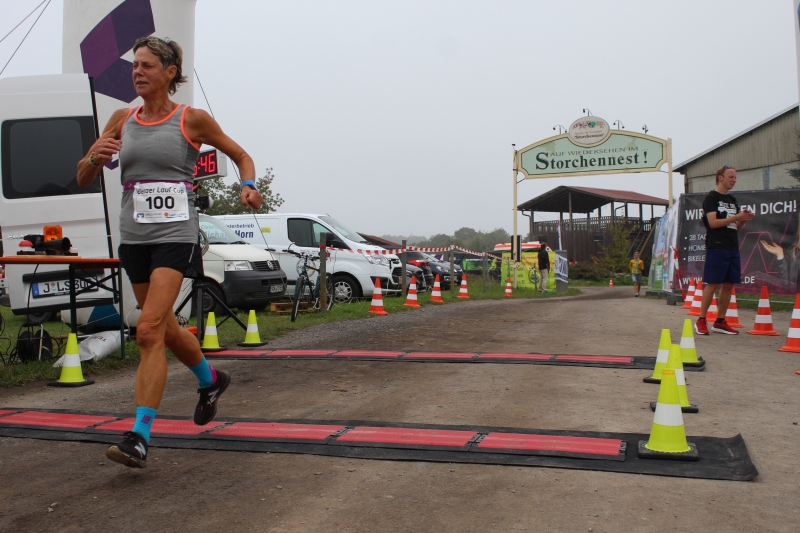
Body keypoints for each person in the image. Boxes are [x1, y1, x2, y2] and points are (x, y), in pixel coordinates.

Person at [76, 37, 263, 468]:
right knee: (165, 328)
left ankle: (138, 436)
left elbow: (241, 155)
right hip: (134, 238)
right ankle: (210, 379)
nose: (137, 72)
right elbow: (83, 175)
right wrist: (93, 156)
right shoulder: (121, 118)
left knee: (146, 331)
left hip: (176, 236)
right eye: (134, 66)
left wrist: (248, 185)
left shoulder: (191, 120)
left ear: (170, 72)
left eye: (146, 66)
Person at [695, 165, 754, 335]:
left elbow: (736, 227)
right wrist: (736, 217)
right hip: (717, 246)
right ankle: (701, 320)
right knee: (713, 284)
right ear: (720, 177)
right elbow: (713, 223)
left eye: (735, 177)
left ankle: (720, 321)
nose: (734, 180)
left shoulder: (732, 200)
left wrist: (743, 220)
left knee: (729, 285)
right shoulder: (711, 198)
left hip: (732, 246)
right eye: (731, 177)